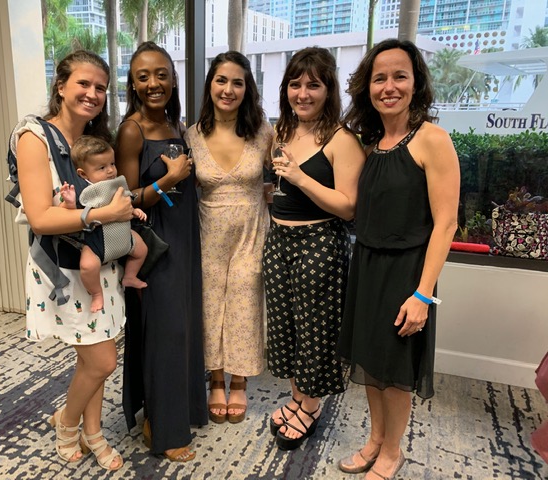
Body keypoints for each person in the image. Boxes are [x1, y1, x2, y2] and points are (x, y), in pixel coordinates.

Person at [337, 39, 460, 479]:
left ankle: (393, 451)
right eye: (379, 77)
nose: (389, 86)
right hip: (366, 266)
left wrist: (423, 295)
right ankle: (375, 440)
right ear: (368, 86)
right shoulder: (373, 143)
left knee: (396, 371)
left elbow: (446, 224)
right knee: (371, 362)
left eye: (399, 76)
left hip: (407, 272)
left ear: (416, 82)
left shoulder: (433, 140)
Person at [15, 50, 133, 471]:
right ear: (60, 86)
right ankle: (67, 423)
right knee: (103, 360)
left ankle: (93, 431)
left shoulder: (90, 144)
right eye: (83, 83)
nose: (93, 93)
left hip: (100, 263)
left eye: (101, 87)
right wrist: (106, 214)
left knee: (91, 358)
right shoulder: (34, 137)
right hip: (63, 267)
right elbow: (42, 218)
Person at [263, 47, 366, 450]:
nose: (302, 93)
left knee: (314, 330)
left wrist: (302, 178)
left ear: (328, 90)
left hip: (319, 243)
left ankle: (311, 405)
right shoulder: (282, 131)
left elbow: (348, 206)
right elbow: (279, 187)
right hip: (279, 240)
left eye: (313, 85)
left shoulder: (342, 139)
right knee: (285, 326)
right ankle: (296, 397)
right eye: (295, 84)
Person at [114, 41, 207, 462]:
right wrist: (166, 183)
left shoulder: (177, 124)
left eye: (161, 74)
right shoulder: (131, 130)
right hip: (155, 245)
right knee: (164, 332)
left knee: (183, 328)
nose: (154, 83)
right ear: (133, 84)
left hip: (186, 240)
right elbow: (125, 199)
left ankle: (172, 409)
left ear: (173, 78)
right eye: (143, 76)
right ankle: (164, 428)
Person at [184, 51, 273, 425]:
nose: (229, 89)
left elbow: (287, 171)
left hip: (253, 230)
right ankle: (215, 378)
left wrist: (270, 189)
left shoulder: (263, 131)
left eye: (237, 82)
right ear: (210, 85)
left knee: (245, 301)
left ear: (247, 88)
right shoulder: (191, 134)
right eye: (221, 80)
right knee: (210, 304)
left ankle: (239, 380)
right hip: (208, 232)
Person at [60, 135, 149, 313]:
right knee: (87, 266)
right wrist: (69, 202)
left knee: (142, 250)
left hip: (124, 235)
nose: (110, 171)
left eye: (112, 164)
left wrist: (134, 211)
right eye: (102, 167)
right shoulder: (84, 191)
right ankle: (96, 293)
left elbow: (126, 203)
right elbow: (74, 214)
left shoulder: (117, 184)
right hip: (97, 241)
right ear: (83, 174)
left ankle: (130, 276)